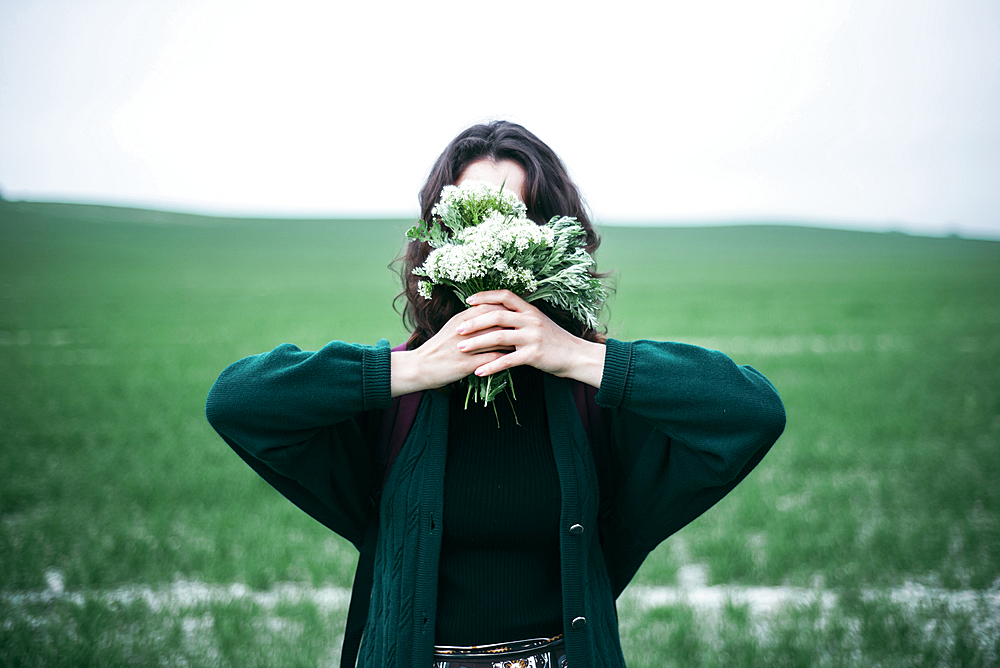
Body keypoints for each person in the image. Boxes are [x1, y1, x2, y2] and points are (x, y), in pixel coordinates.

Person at [206, 120, 786, 668]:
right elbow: (235, 401)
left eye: (516, 214)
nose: (494, 233)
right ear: (439, 237)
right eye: (472, 213)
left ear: (555, 236)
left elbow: (752, 412)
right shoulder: (399, 399)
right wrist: (406, 371)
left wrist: (578, 354)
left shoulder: (586, 394)